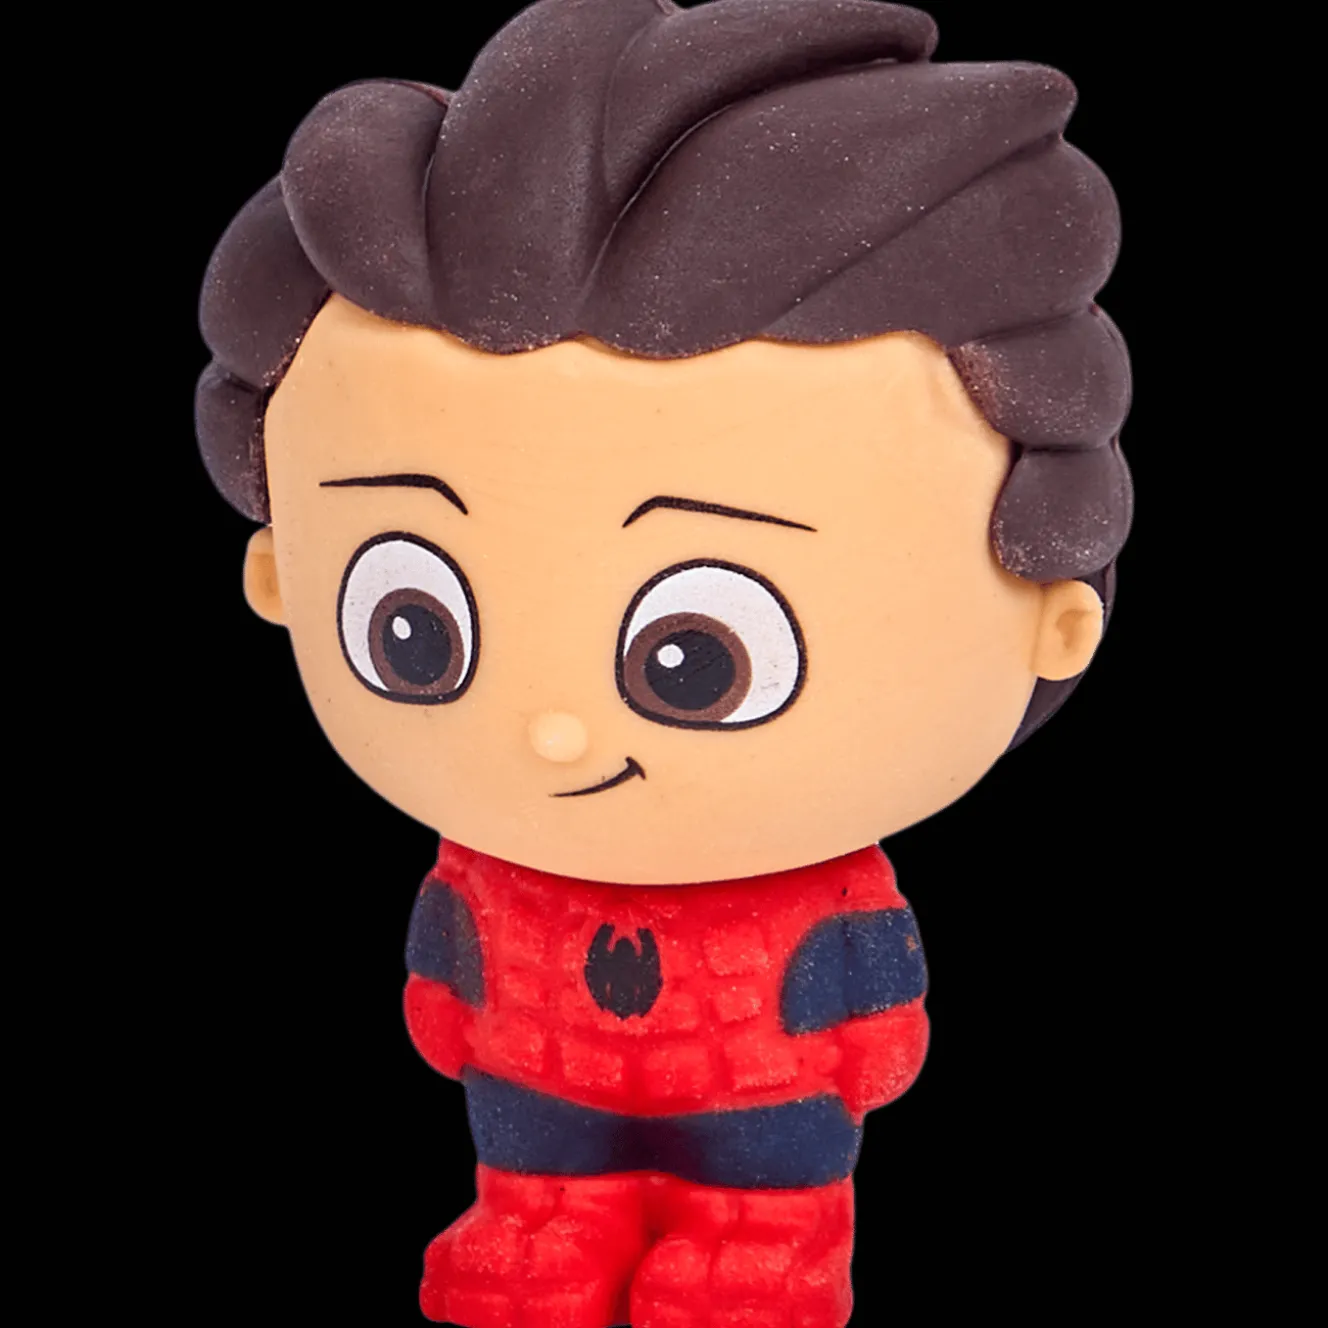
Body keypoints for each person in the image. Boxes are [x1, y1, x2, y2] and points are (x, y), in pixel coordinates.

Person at [196, 1, 1131, 1323]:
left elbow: (875, 1015)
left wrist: (873, 1034)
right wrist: (443, 992)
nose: (555, 731)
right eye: (414, 631)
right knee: (535, 1181)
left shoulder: (824, 892)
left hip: (766, 1107)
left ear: (1050, 616)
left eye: (693, 660)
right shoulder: (483, 869)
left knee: (764, 1194)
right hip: (535, 1094)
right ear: (281, 578)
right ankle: (541, 1223)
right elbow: (448, 969)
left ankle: (766, 1247)